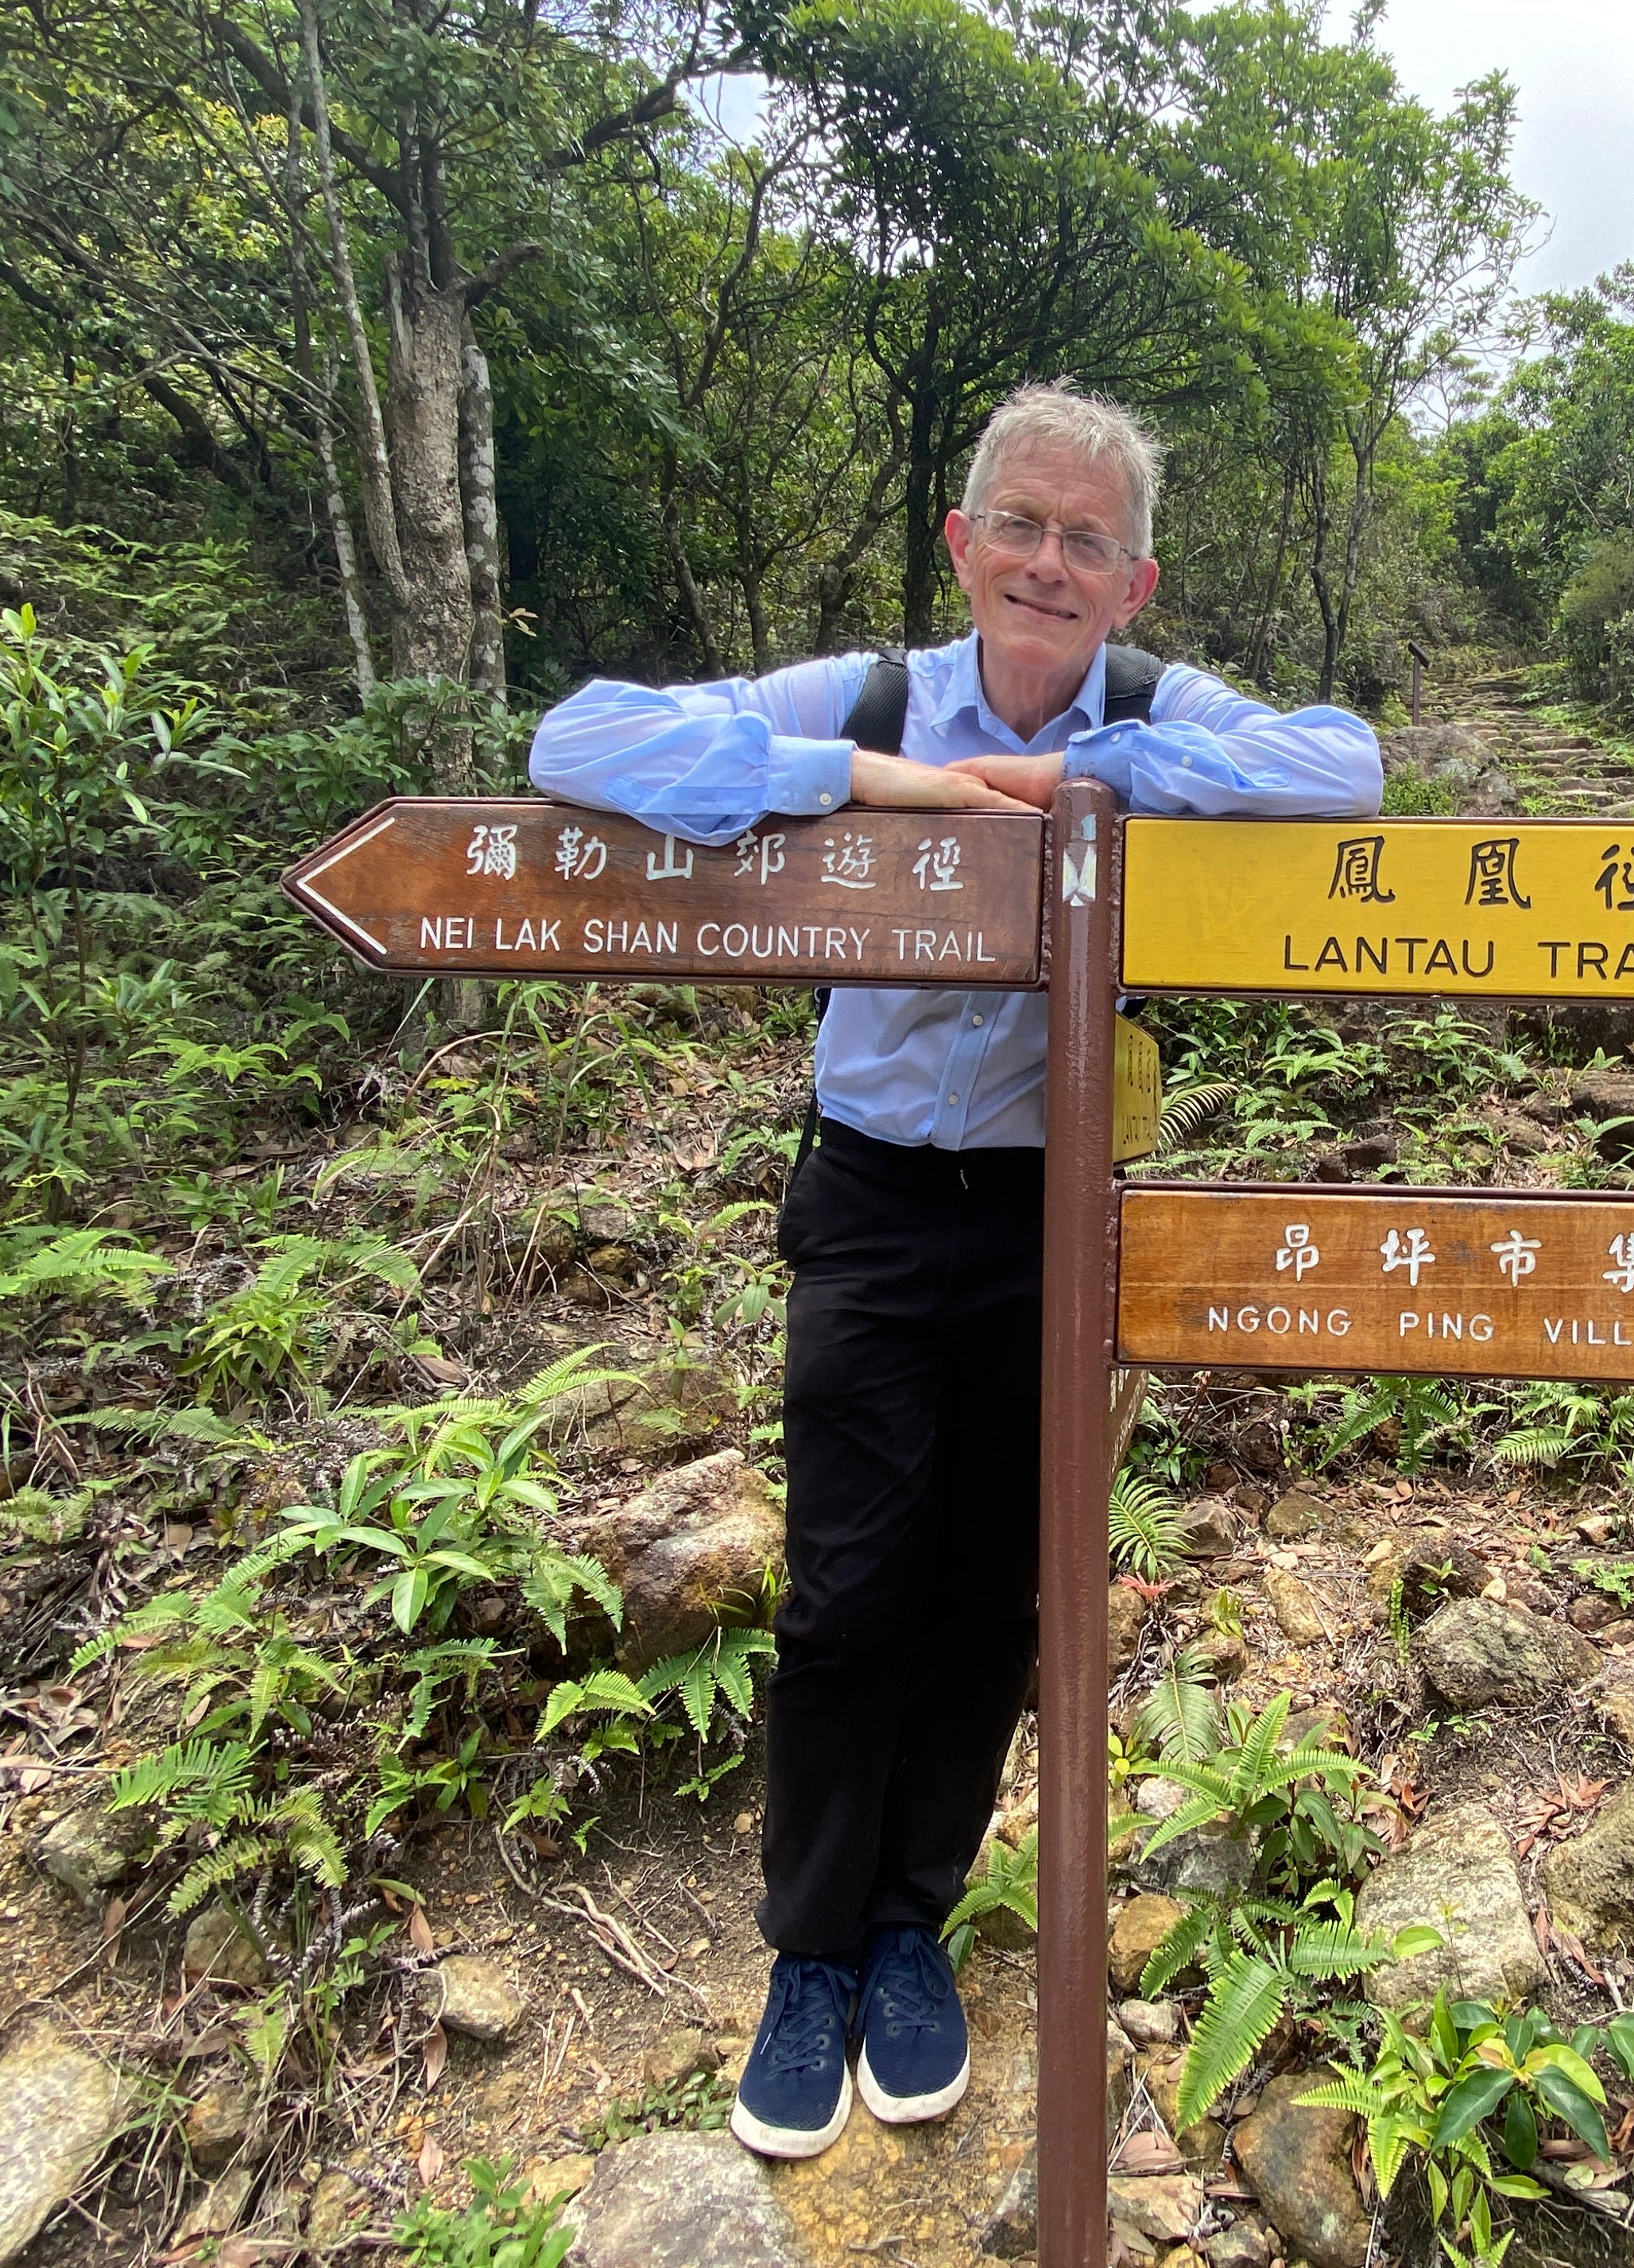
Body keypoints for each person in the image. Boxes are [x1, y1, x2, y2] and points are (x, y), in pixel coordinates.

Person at [529, 384, 1380, 2162]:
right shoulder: (861, 695)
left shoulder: (1150, 705)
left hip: (1061, 1213)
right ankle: (811, 1954)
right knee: (847, 1588)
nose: (1050, 565)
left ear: (1134, 582)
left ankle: (915, 1926)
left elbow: (1343, 768)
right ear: (964, 541)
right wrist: (869, 781)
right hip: (871, 1201)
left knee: (997, 1588)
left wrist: (1082, 779)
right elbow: (580, 739)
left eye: (1088, 541)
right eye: (1023, 526)